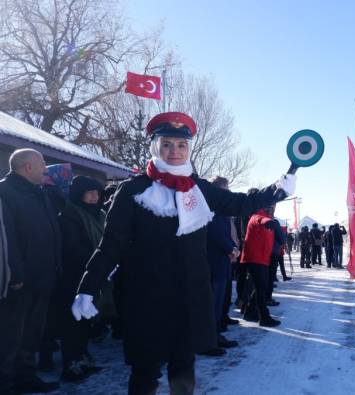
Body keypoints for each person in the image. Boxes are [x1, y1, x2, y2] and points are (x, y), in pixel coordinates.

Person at [70, 112, 295, 395]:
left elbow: (241, 203)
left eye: (181, 145)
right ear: (155, 146)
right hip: (145, 295)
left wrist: (276, 190)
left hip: (189, 292)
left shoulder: (199, 188)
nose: (174, 152)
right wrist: (88, 288)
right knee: (145, 371)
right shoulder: (133, 190)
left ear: (188, 149)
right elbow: (111, 243)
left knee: (183, 368)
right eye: (166, 144)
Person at [0, 149, 62, 394]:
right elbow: (6, 236)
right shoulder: (5, 192)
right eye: (43, 164)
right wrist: (14, 274)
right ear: (28, 167)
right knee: (10, 337)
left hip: (43, 276)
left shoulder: (39, 192)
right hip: (19, 282)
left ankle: (27, 377)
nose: (46, 168)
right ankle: (5, 384)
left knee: (32, 334)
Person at [56, 176, 106, 382]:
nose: (95, 197)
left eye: (97, 192)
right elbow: (73, 247)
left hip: (93, 274)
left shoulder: (100, 214)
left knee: (86, 318)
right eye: (90, 192)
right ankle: (71, 363)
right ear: (79, 194)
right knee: (73, 321)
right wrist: (97, 262)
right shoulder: (68, 215)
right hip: (74, 275)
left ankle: (82, 356)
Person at [202, 176, 239, 357]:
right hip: (213, 263)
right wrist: (230, 248)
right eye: (226, 188)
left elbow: (225, 232)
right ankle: (209, 341)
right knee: (212, 304)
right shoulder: (211, 207)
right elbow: (215, 233)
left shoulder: (220, 208)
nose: (228, 192)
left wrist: (232, 246)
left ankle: (215, 335)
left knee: (218, 302)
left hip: (221, 262)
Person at [240, 206, 280, 326]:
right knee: (261, 288)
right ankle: (264, 317)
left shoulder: (268, 218)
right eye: (271, 206)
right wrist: (268, 222)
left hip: (261, 258)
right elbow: (259, 219)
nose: (273, 208)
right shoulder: (257, 215)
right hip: (255, 258)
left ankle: (250, 312)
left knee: (260, 287)